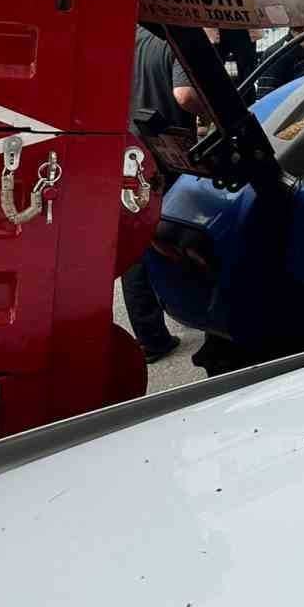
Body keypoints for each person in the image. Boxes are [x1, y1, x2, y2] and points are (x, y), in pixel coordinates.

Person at [123, 26, 202, 364]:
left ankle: (150, 337)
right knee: (184, 230)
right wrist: (212, 112)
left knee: (135, 242)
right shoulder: (173, 39)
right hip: (169, 152)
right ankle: (196, 310)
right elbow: (185, 95)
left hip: (128, 153)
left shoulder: (125, 38)